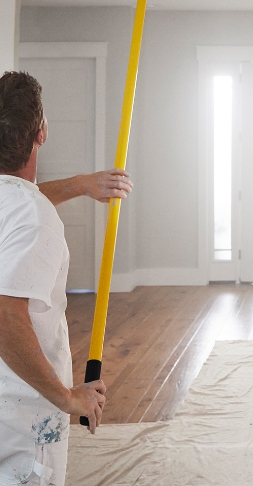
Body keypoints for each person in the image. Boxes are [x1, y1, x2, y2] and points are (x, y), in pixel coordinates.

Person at [0, 71, 133, 486]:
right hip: (21, 409)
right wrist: (67, 397)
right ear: (41, 133)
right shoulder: (37, 220)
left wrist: (79, 185)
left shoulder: (23, 207)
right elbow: (5, 313)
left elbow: (18, 201)